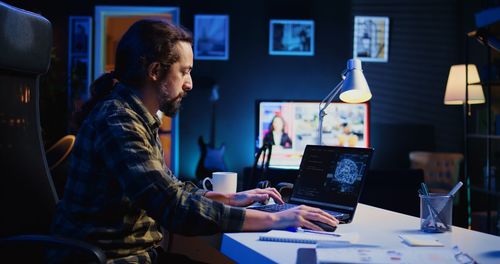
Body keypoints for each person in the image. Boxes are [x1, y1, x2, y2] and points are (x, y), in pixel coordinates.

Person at [52, 20, 338, 263]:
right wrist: (276, 219)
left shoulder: (137, 117)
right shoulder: (118, 122)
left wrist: (232, 198)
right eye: (184, 71)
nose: (189, 83)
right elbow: (172, 208)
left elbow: (170, 189)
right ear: (155, 71)